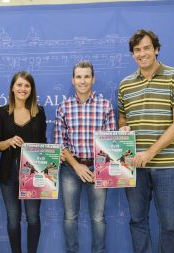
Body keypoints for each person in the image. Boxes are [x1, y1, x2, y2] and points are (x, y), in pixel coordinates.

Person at [118, 29, 174, 253]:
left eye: (147, 48)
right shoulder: (125, 85)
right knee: (137, 220)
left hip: (167, 165)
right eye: (137, 50)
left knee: (169, 225)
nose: (142, 54)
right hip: (133, 166)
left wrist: (149, 153)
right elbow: (122, 117)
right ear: (133, 54)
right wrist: (123, 127)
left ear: (156, 49)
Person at [54, 60, 116, 253]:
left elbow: (111, 143)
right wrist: (76, 166)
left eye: (86, 76)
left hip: (98, 168)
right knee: (70, 217)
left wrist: (100, 168)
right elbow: (59, 143)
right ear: (73, 80)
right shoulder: (63, 107)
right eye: (79, 77)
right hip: (70, 169)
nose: (82, 81)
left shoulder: (105, 106)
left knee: (98, 218)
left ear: (93, 79)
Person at [0, 71, 47, 253]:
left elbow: (43, 144)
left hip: (33, 173)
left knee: (33, 217)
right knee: (13, 219)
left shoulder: (39, 113)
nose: (23, 89)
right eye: (19, 85)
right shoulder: (2, 112)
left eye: (27, 85)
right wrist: (8, 142)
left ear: (31, 89)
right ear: (12, 88)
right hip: (8, 173)